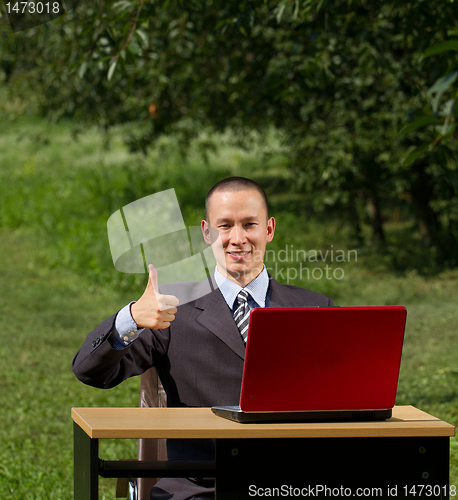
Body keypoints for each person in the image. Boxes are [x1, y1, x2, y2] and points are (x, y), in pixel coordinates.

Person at [72, 176, 334, 500]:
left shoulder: (314, 307)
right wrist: (131, 318)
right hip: (200, 489)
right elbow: (90, 371)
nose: (237, 238)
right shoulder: (171, 309)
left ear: (269, 229)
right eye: (225, 226)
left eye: (249, 224)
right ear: (206, 233)